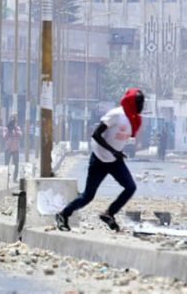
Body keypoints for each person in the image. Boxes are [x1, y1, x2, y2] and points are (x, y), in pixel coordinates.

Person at [56, 88, 144, 232]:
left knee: (130, 187)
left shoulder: (134, 120)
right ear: (131, 101)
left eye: (142, 102)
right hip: (99, 159)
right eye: (139, 102)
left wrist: (117, 152)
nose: (141, 105)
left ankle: (109, 213)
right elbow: (96, 134)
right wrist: (114, 151)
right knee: (87, 196)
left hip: (115, 160)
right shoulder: (116, 114)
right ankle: (63, 214)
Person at [3, 115, 22, 183]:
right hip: (8, 148)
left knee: (16, 165)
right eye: (11, 121)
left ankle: (14, 178)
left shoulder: (17, 128)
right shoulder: (6, 128)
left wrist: (14, 130)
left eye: (13, 121)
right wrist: (9, 130)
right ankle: (5, 179)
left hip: (15, 149)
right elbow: (4, 137)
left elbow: (20, 135)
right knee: (6, 165)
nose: (12, 122)